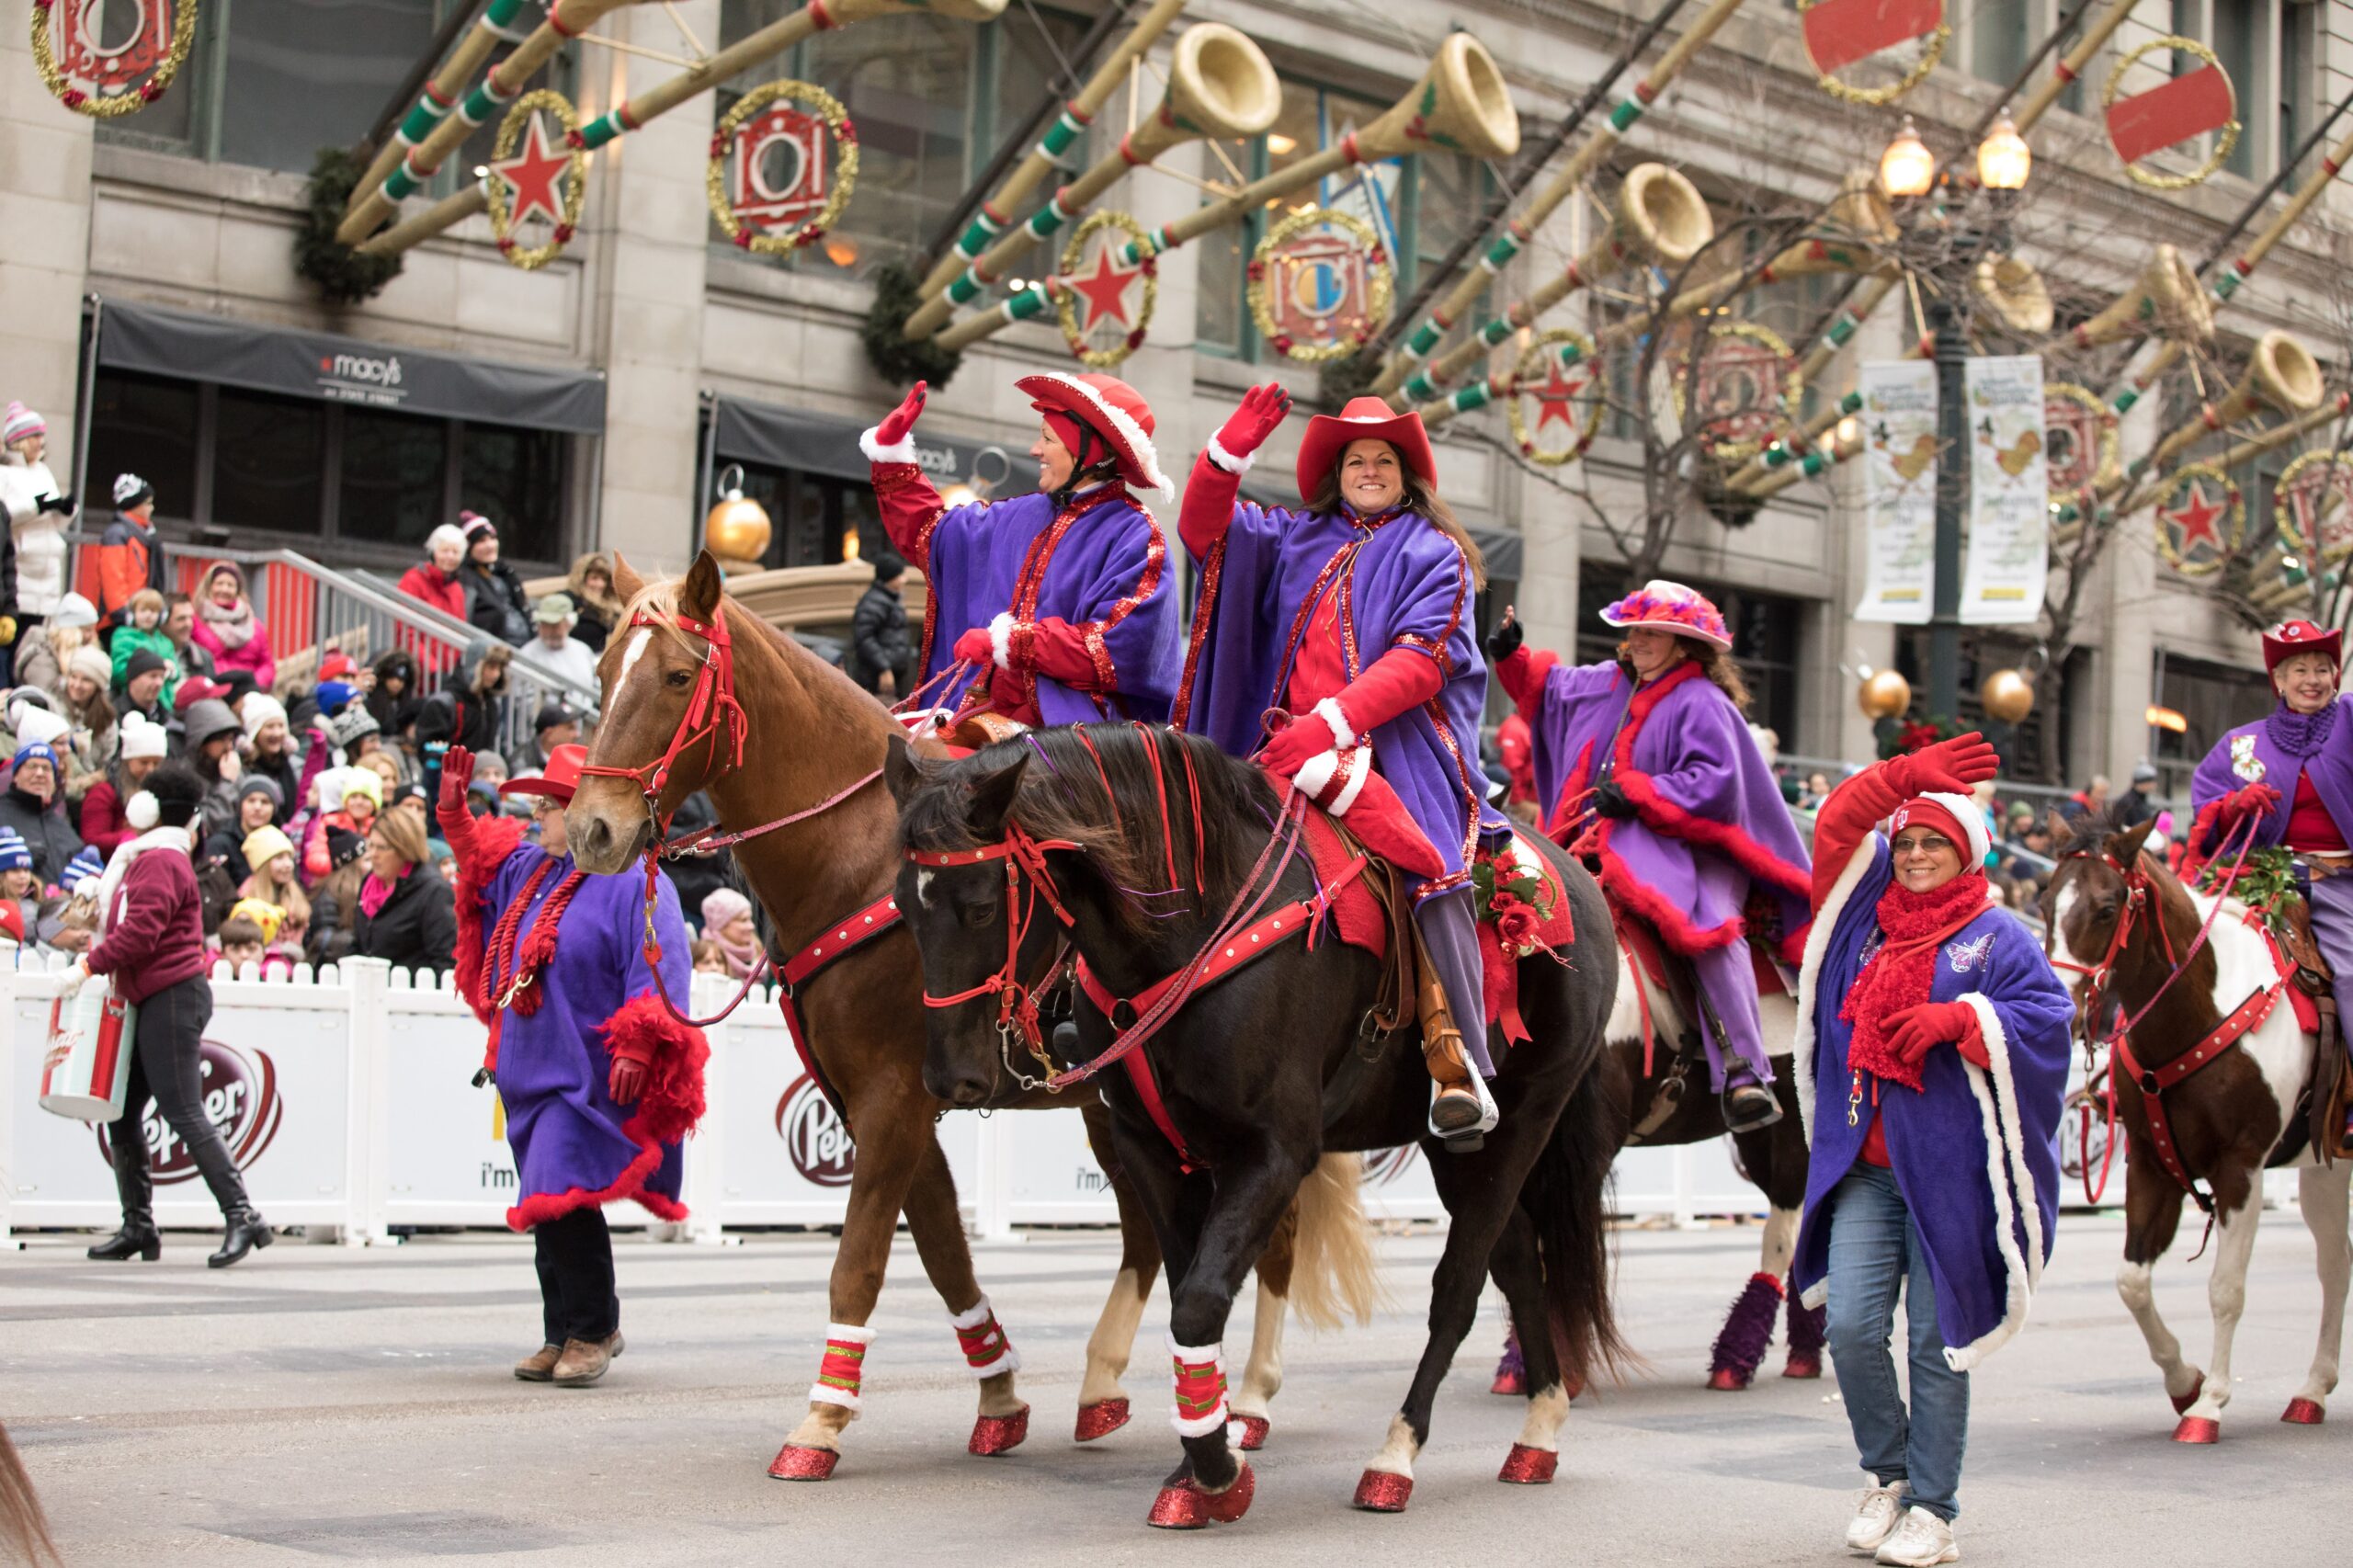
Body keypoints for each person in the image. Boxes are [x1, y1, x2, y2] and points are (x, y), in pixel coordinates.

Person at [1176, 386, 1511, 1143]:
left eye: (1382, 459)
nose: (1368, 469)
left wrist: (1329, 724)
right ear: (1337, 471)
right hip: (1277, 751)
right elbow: (1205, 532)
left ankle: (1455, 1061)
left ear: (1407, 473)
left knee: (1426, 866)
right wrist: (1227, 451)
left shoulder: (1435, 551)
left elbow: (1421, 663)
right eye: (1356, 458)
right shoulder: (1292, 537)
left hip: (1388, 752)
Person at [1789, 732, 2070, 1566]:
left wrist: (1968, 1020)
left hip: (1953, 1176)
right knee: (1846, 1328)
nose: (1912, 854)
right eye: (1905, 841)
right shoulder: (1857, 922)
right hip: (1866, 1173)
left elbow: (2049, 1024)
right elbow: (1841, 820)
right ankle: (1890, 1476)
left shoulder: (2000, 935)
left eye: (1931, 843)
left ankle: (1934, 1510)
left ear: (1967, 852)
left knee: (1932, 1343)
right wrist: (1904, 778)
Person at [1492, 579, 1813, 1133]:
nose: (1638, 640)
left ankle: (1744, 1070)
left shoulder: (1705, 702)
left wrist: (1640, 793)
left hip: (1693, 847)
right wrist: (1512, 654)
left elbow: (1715, 785)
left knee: (1705, 923)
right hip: (1592, 839)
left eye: (1653, 632)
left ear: (1685, 645)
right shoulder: (1606, 682)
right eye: (1634, 630)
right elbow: (1547, 695)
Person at [437, 741, 707, 1385]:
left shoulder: (635, 883)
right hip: (525, 1067)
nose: (537, 820)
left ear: (583, 811)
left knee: (561, 1193)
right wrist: (453, 815)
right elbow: (477, 863)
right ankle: (564, 1329)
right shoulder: (530, 870)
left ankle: (591, 1329)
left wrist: (641, 1042)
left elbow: (662, 967)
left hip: (585, 1071)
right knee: (545, 1200)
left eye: (547, 808)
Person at [862, 372, 1178, 727]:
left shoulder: (1136, 534)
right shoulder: (1017, 513)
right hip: (975, 716)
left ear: (1088, 452)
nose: (1035, 449)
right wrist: (894, 459)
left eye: (1047, 438)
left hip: (1071, 741)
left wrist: (1014, 643)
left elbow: (1121, 647)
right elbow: (933, 535)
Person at [76, 760, 275, 1267]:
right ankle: (139, 1226)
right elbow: (135, 924)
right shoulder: (150, 858)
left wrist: (87, 966)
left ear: (148, 809)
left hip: (170, 995)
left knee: (184, 1108)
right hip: (156, 995)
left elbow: (142, 933)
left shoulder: (159, 860)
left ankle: (242, 1214)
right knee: (122, 1112)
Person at [2188, 619, 2353, 1131]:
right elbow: (2205, 808)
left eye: (2322, 668)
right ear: (2277, 681)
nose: (2312, 678)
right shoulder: (2243, 745)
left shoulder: (2351, 720)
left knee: (2350, 972)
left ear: (2337, 674)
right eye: (2298, 669)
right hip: (2261, 878)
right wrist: (2233, 806)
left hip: (2339, 882)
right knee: (2180, 951)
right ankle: (2127, 1080)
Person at [0, 403, 67, 680]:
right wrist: (35, 506)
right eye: (35, 435)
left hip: (44, 573)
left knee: (29, 649)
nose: (41, 441)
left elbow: (52, 520)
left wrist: (64, 509)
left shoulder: (42, 471)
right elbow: (7, 517)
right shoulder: (5, 473)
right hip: (22, 572)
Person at [350, 804, 456, 972]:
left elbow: (444, 961)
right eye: (371, 845)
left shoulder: (434, 891)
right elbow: (359, 944)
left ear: (405, 849)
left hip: (410, 993)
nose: (373, 854)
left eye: (382, 848)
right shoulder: (368, 884)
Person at [83, 711, 167, 856]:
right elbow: (92, 838)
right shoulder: (104, 792)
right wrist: (129, 837)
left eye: (156, 763)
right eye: (144, 762)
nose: (151, 769)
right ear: (128, 760)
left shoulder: (163, 791)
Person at [0, 739, 83, 884]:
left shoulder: (62, 826)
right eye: (32, 766)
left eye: (46, 768)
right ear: (15, 776)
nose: (39, 773)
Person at [95, 474, 168, 633]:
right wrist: (123, 615)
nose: (152, 508)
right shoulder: (117, 534)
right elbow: (113, 579)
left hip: (140, 617)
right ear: (135, 505)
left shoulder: (146, 536)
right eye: (148, 503)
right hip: (120, 623)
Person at [416, 639, 512, 759]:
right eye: (491, 667)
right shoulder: (443, 704)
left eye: (499, 669)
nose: (496, 675)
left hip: (479, 774)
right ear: (476, 666)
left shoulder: (491, 704)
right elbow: (428, 755)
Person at [188, 562, 276, 693]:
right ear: (209, 586)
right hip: (212, 688)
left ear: (238, 590)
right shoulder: (195, 620)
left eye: (230, 585)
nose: (224, 589)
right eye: (219, 583)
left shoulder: (255, 626)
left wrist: (253, 683)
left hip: (249, 690)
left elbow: (267, 664)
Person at [457, 513, 532, 646]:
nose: (490, 545)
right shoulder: (464, 577)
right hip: (495, 652)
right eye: (481, 541)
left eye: (492, 538)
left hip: (525, 646)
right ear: (469, 547)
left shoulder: (505, 572)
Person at [53, 646, 117, 802]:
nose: (76, 684)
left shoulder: (107, 720)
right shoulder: (54, 707)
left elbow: (107, 761)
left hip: (91, 789)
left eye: (86, 680)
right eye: (73, 677)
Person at [849, 550, 914, 698]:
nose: (904, 580)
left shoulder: (890, 600)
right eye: (900, 575)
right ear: (889, 577)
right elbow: (864, 638)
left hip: (892, 677)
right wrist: (884, 668)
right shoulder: (874, 602)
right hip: (876, 680)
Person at [180, 698, 246, 840]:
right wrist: (227, 783)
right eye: (222, 740)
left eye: (230, 740)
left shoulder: (231, 767)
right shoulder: (186, 778)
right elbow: (210, 825)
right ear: (202, 742)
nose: (229, 747)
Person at [237, 825, 310, 949]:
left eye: (289, 858)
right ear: (263, 865)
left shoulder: (298, 897)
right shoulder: (246, 901)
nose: (288, 865)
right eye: (279, 858)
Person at [15, 593, 94, 697]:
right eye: (88, 630)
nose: (92, 636)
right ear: (72, 631)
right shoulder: (41, 657)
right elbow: (45, 700)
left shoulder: (57, 653)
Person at [108, 589, 177, 702]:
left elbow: (176, 672)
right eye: (143, 610)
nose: (148, 615)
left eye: (153, 611)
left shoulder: (165, 642)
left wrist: (172, 671)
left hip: (163, 704)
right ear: (132, 613)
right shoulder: (123, 637)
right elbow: (119, 672)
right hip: (134, 702)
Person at [520, 593, 599, 690]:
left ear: (569, 624)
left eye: (554, 626)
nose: (549, 632)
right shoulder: (527, 654)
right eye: (544, 625)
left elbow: (597, 684)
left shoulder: (583, 650)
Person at [397, 523, 471, 622]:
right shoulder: (414, 580)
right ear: (433, 552)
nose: (450, 556)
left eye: (456, 552)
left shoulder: (457, 590)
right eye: (445, 550)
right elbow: (405, 624)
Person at [699, 887, 762, 979]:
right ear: (721, 925)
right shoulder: (704, 955)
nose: (751, 926)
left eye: (750, 919)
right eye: (743, 920)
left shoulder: (760, 953)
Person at [566, 551, 620, 653]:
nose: (600, 584)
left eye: (604, 579)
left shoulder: (614, 606)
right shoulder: (570, 602)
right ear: (581, 578)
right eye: (594, 578)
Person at [368, 650, 422, 738]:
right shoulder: (370, 704)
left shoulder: (409, 706)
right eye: (392, 677)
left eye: (401, 679)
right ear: (383, 678)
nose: (396, 683)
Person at [162, 593, 213, 684]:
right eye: (181, 618)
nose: (189, 624)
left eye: (191, 618)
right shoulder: (149, 653)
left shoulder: (202, 657)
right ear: (163, 622)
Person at [515, 702, 578, 773]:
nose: (577, 734)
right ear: (549, 733)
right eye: (570, 728)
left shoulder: (571, 760)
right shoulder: (522, 763)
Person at [117, 650, 170, 732]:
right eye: (153, 676)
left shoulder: (165, 716)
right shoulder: (115, 716)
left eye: (162, 677)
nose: (159, 683)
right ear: (133, 679)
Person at [2114, 760, 2160, 828]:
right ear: (2143, 783)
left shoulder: (2143, 800)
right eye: (2151, 782)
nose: (2154, 786)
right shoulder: (2127, 802)